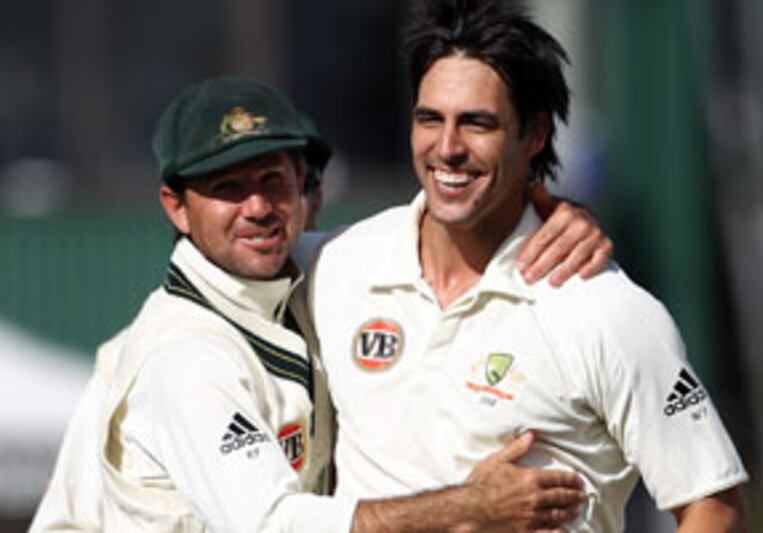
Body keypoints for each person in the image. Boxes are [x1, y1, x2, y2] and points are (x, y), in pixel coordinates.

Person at [30, 76, 614, 532]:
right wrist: (468, 508)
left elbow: (434, 231)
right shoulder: (182, 356)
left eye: (275, 181)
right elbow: (271, 525)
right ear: (176, 207)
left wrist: (546, 216)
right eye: (226, 188)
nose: (258, 207)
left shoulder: (312, 272)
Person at [309, 1, 749, 531]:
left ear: (535, 135)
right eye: (430, 119)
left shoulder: (608, 311)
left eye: (477, 124)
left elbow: (714, 509)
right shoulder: (336, 265)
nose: (447, 148)